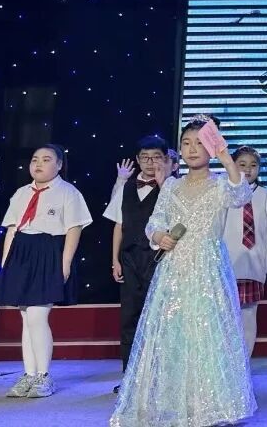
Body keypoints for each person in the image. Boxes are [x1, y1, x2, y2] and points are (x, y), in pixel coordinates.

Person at [110, 116, 256, 427]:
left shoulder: (221, 184)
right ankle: (173, 404)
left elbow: (240, 195)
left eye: (200, 143)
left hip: (207, 267)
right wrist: (158, 235)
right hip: (173, 268)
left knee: (207, 333)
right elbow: (155, 220)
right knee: (173, 334)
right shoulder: (172, 185)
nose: (192, 149)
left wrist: (225, 156)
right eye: (186, 143)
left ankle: (211, 405)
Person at [0, 144, 92, 399]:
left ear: (59, 165)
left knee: (37, 316)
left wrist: (65, 263)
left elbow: (74, 229)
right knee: (26, 318)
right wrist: (5, 263)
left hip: (49, 252)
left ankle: (44, 376)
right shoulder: (21, 193)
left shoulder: (68, 192)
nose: (38, 164)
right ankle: (29, 374)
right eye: (35, 159)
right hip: (21, 252)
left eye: (46, 159)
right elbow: (12, 228)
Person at [103, 136, 170, 393]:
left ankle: (159, 380)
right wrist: (115, 260)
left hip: (159, 259)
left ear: (166, 159)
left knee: (158, 319)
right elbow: (118, 226)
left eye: (156, 157)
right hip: (130, 259)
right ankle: (130, 379)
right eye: (145, 157)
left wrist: (164, 185)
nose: (150, 162)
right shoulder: (126, 187)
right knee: (129, 317)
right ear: (138, 159)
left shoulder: (172, 188)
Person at [226, 146, 267, 361]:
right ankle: (227, 364)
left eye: (253, 165)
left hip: (254, 266)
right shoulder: (224, 192)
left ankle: (244, 364)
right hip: (227, 264)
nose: (248, 170)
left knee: (249, 315)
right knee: (226, 317)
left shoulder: (266, 196)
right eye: (242, 165)